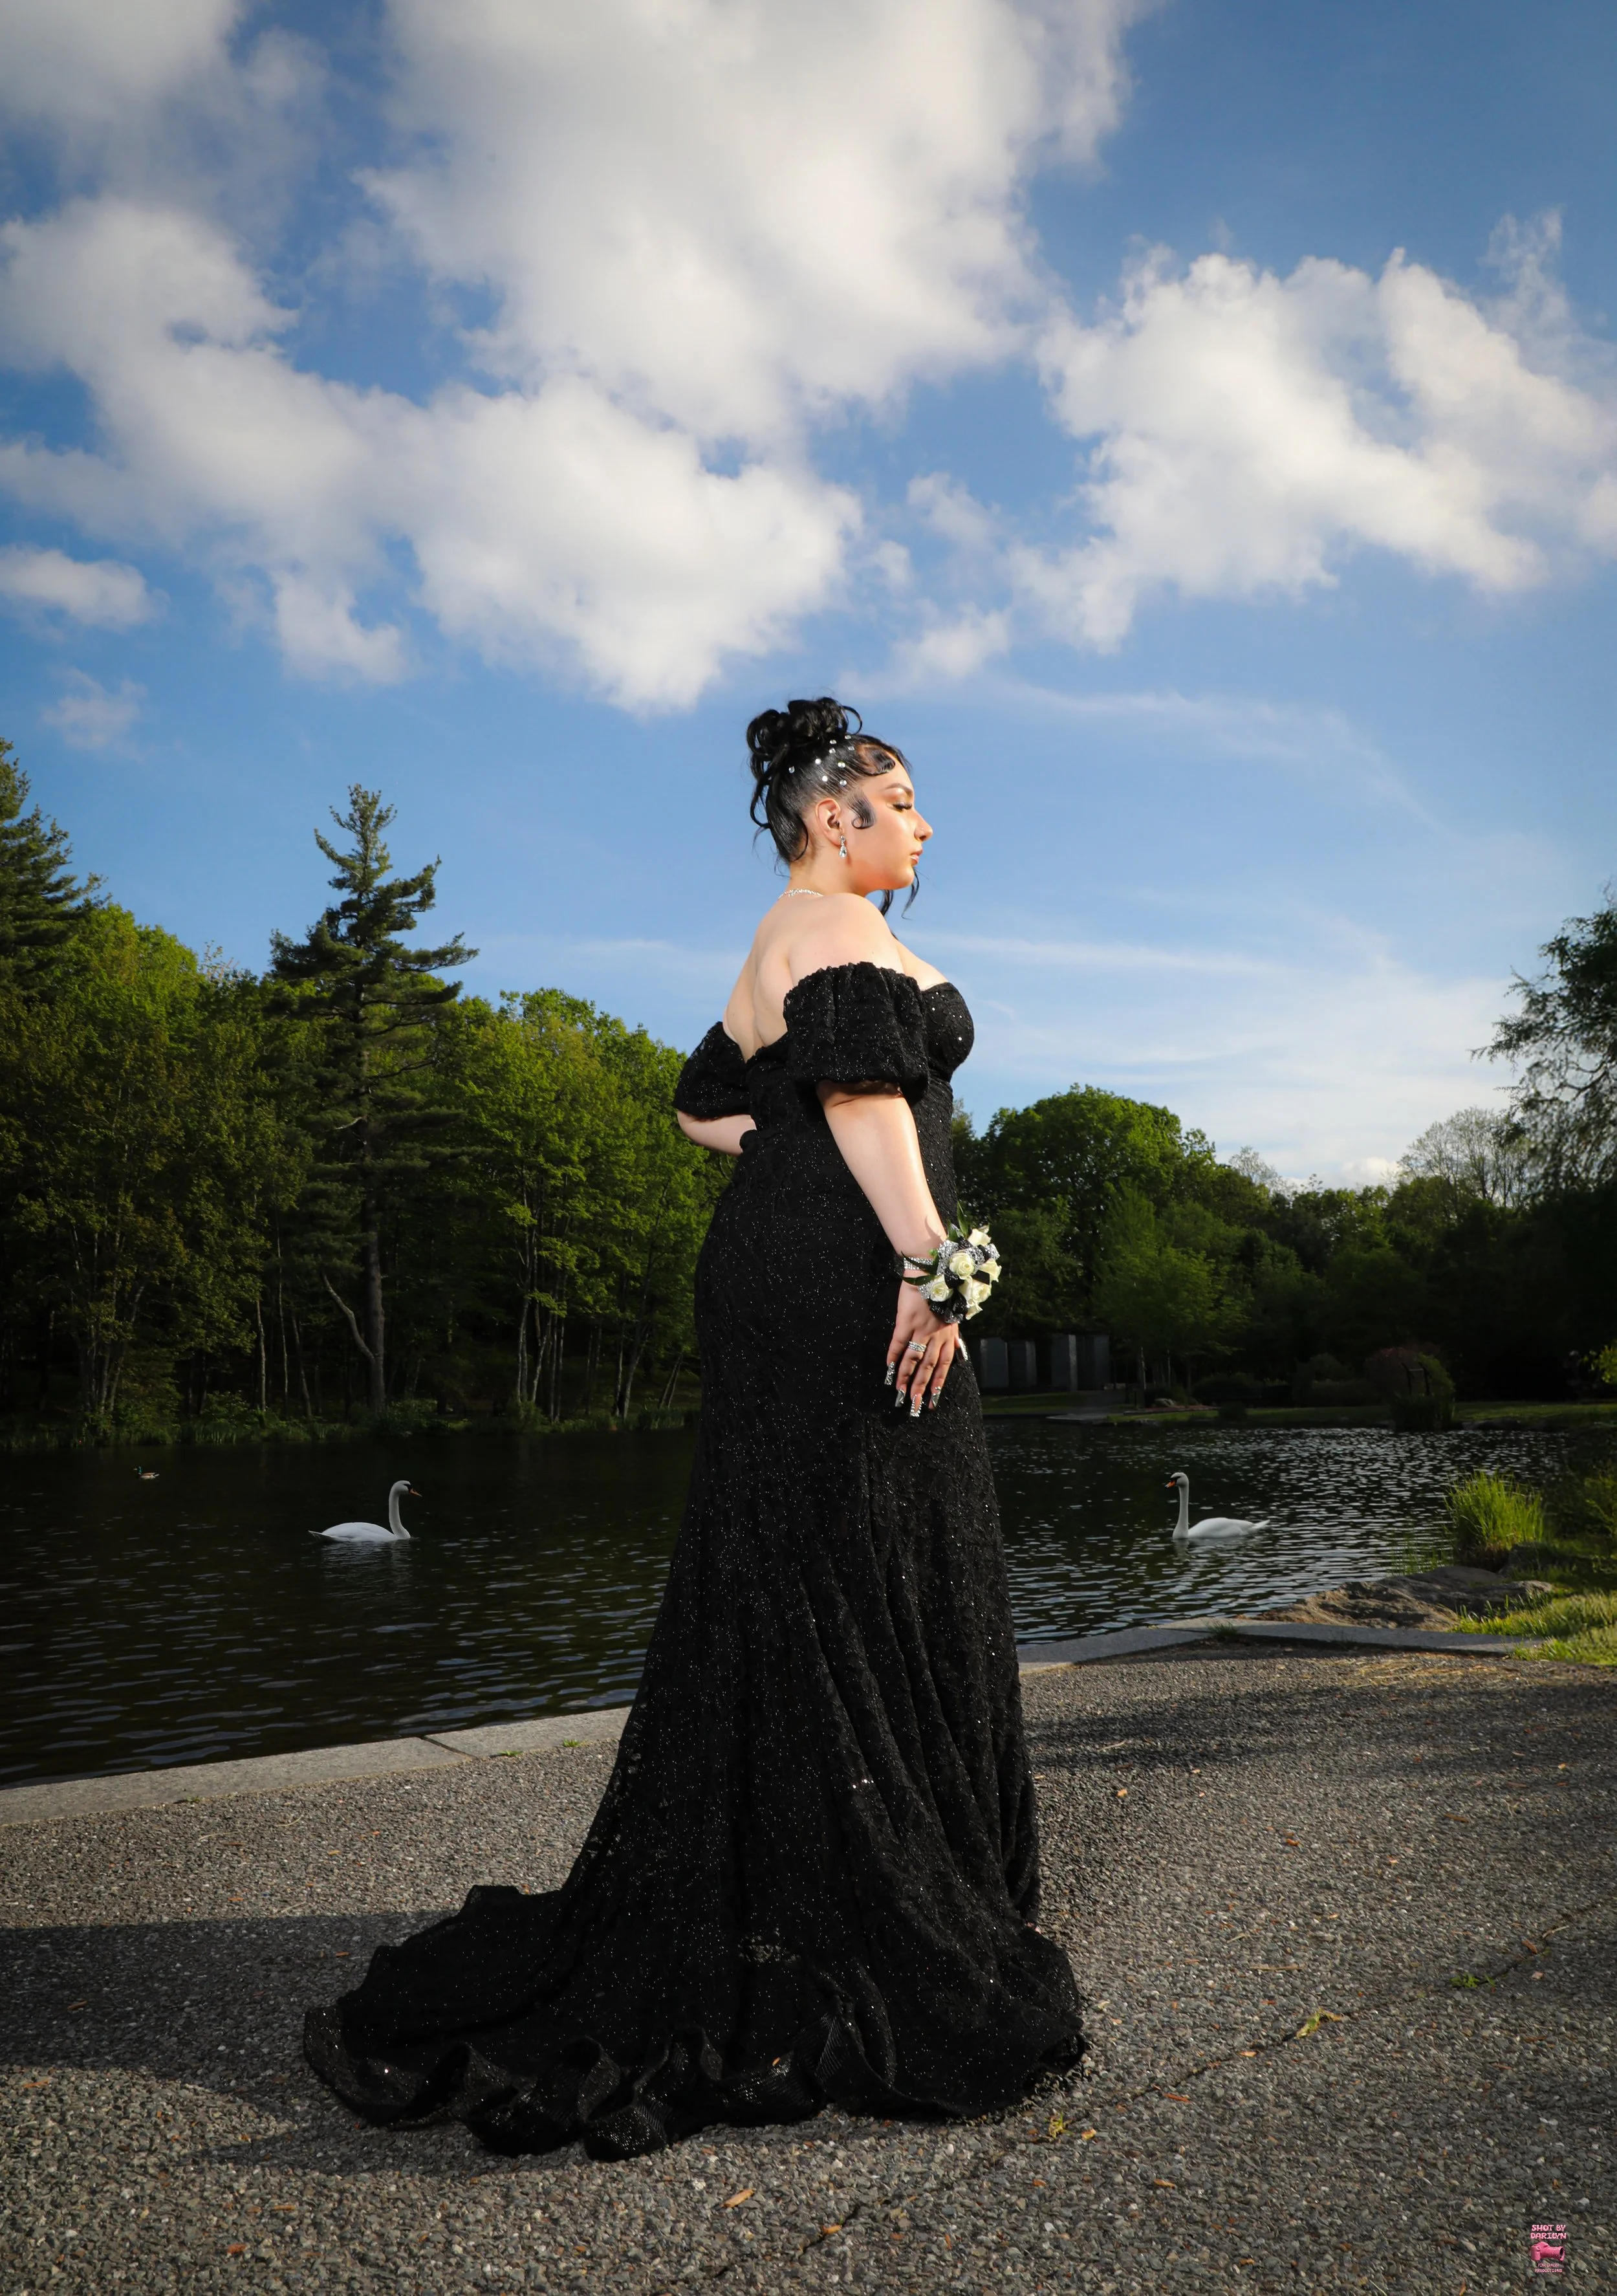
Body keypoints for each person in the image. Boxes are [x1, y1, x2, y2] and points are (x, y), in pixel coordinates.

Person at [304, 696, 1085, 2158]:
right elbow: (860, 1098)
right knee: (869, 1549)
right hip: (846, 1271)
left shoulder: (780, 945)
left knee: (808, 1562)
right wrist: (937, 1264)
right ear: (831, 815)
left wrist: (790, 1147)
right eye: (902, 800)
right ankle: (870, 1898)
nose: (925, 823)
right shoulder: (839, 936)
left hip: (780, 1264)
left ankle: (827, 1875)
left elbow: (697, 1106)